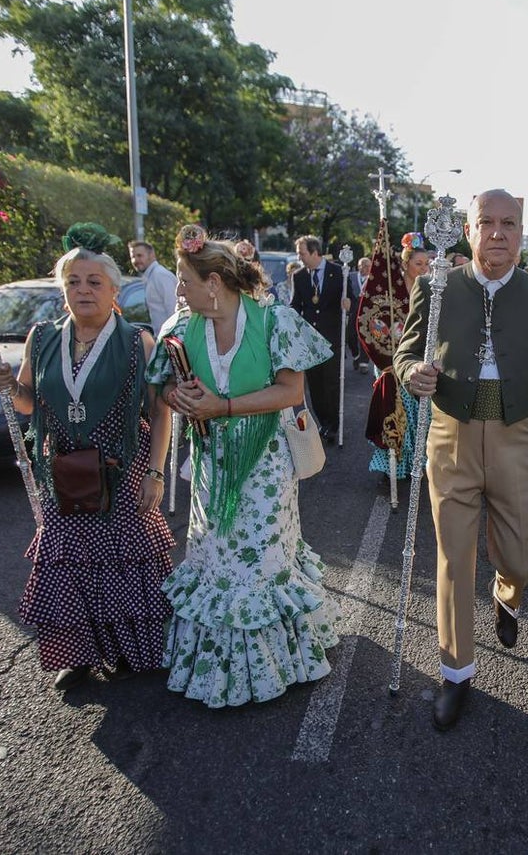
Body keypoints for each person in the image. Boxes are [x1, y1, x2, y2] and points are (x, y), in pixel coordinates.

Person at [394, 189, 528, 731]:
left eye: (509, 223)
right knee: (453, 559)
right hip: (450, 434)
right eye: (486, 222)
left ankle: (508, 592)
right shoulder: (436, 287)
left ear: (522, 232)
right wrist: (412, 373)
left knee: (521, 554)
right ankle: (455, 673)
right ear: (469, 231)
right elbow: (405, 352)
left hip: (515, 435)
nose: (497, 232)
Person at [148, 225, 338, 708]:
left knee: (262, 558)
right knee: (216, 555)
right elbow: (159, 389)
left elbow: (291, 392)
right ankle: (219, 664)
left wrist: (223, 407)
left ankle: (275, 662)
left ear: (214, 283)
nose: (179, 290)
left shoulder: (275, 321)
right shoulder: (177, 329)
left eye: (185, 279)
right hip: (211, 459)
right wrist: (181, 397)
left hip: (265, 461)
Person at [0, 223, 175, 691]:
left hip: (121, 471)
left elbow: (160, 410)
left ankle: (130, 648)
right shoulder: (42, 338)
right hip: (65, 472)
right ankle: (80, 653)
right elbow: (30, 402)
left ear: (114, 291)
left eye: (94, 283)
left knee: (123, 558)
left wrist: (155, 472)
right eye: (74, 282)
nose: (83, 290)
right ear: (62, 290)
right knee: (70, 561)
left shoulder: (138, 342)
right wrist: (8, 386)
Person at [367, 233, 428, 481]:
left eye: (427, 264)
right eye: (419, 264)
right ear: (405, 264)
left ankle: (415, 463)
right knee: (392, 410)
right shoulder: (393, 290)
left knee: (417, 415)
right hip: (391, 359)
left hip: (418, 357)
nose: (424, 269)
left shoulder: (430, 288)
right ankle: (390, 464)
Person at [291, 235, 355, 442]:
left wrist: (348, 304)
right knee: (315, 385)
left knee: (331, 384)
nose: (299, 257)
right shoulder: (299, 276)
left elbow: (352, 300)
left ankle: (334, 425)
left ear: (314, 252)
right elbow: (295, 305)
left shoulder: (339, 272)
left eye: (302, 253)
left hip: (331, 338)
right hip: (309, 340)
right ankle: (324, 423)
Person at [128, 239, 179, 335]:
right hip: (162, 338)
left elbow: (174, 311)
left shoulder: (160, 275)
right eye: (133, 257)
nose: (135, 260)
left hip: (171, 339)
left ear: (151, 255)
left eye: (139, 255)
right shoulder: (151, 276)